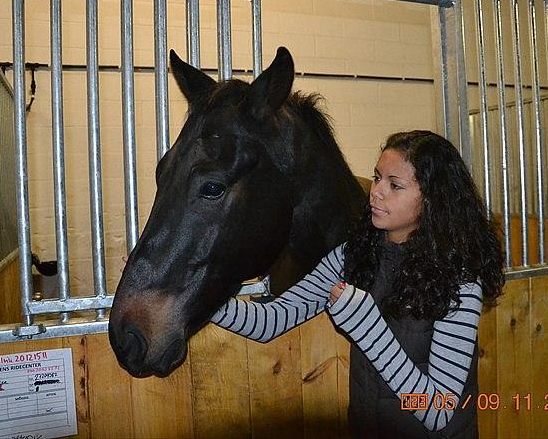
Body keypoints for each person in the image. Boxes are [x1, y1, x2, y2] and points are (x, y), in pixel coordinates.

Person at [211, 130, 505, 438]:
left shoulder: (459, 279)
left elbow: (438, 410)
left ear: (432, 199)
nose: (377, 192)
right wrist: (201, 304)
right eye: (377, 178)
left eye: (395, 185)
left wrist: (367, 326)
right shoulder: (354, 255)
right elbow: (272, 320)